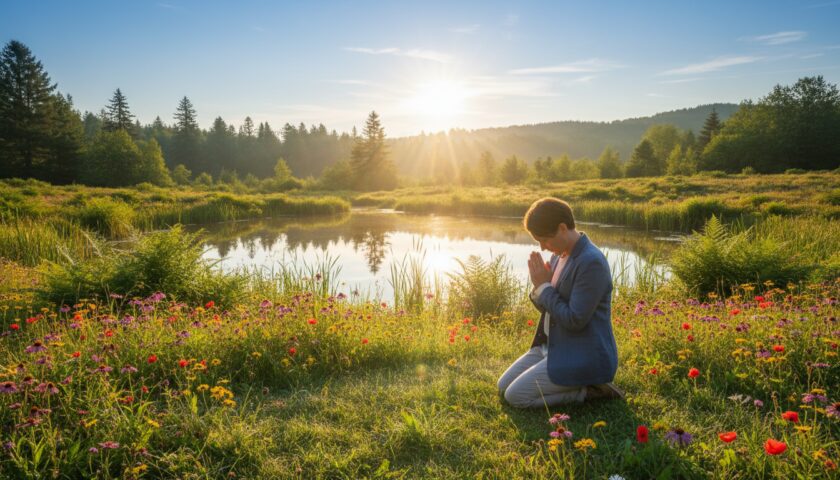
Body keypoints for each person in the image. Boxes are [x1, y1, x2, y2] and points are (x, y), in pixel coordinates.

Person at [497, 197, 622, 408]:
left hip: (582, 356)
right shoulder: (559, 256)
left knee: (515, 397)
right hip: (553, 347)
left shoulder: (591, 262)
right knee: (502, 386)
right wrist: (539, 288)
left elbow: (574, 320)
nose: (542, 247)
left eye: (545, 239)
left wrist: (544, 288)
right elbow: (548, 308)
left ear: (562, 228)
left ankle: (590, 391)